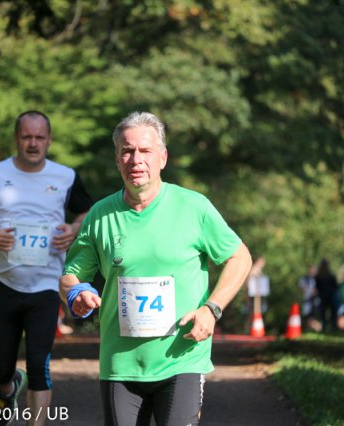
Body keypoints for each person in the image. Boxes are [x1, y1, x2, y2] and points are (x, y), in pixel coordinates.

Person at [59, 112, 252, 425]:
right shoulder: (99, 216)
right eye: (127, 151)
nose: (136, 159)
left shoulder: (194, 207)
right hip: (120, 364)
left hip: (182, 358)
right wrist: (75, 293)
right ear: (117, 160)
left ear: (162, 158)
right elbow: (70, 276)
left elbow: (240, 257)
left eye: (145, 151)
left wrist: (211, 309)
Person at [0, 110, 93, 426]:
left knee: (39, 365)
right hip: (4, 280)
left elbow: (88, 211)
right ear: (17, 139)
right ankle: (8, 388)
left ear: (49, 140)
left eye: (39, 137)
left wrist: (74, 229)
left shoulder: (65, 177)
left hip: (47, 284)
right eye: (27, 137)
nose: (33, 144)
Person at [245, 256, 270, 333]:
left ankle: (253, 329)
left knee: (257, 313)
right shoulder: (254, 270)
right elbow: (249, 283)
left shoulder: (259, 270)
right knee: (251, 314)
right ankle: (247, 330)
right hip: (253, 295)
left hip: (258, 295)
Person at [314, 259, 340, 332]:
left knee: (328, 312)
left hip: (327, 296)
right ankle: (330, 327)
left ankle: (330, 327)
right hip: (326, 296)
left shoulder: (322, 276)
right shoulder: (325, 276)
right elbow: (336, 286)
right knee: (327, 313)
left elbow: (335, 286)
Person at [298, 264, 321, 332]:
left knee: (314, 317)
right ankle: (316, 329)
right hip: (307, 301)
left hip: (316, 301)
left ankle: (318, 328)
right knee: (308, 317)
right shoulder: (304, 279)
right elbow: (302, 289)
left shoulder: (318, 279)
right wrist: (309, 291)